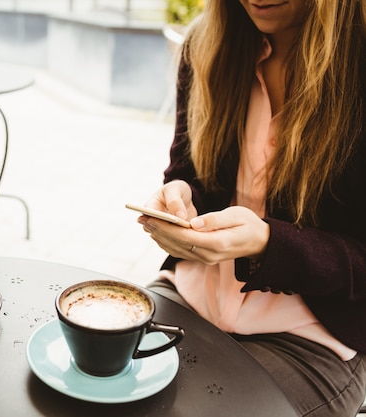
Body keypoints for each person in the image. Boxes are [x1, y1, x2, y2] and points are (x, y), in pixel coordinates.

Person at [135, 1, 366, 415]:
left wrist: (269, 243)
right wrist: (180, 195)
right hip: (191, 294)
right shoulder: (206, 46)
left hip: (314, 338)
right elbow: (188, 170)